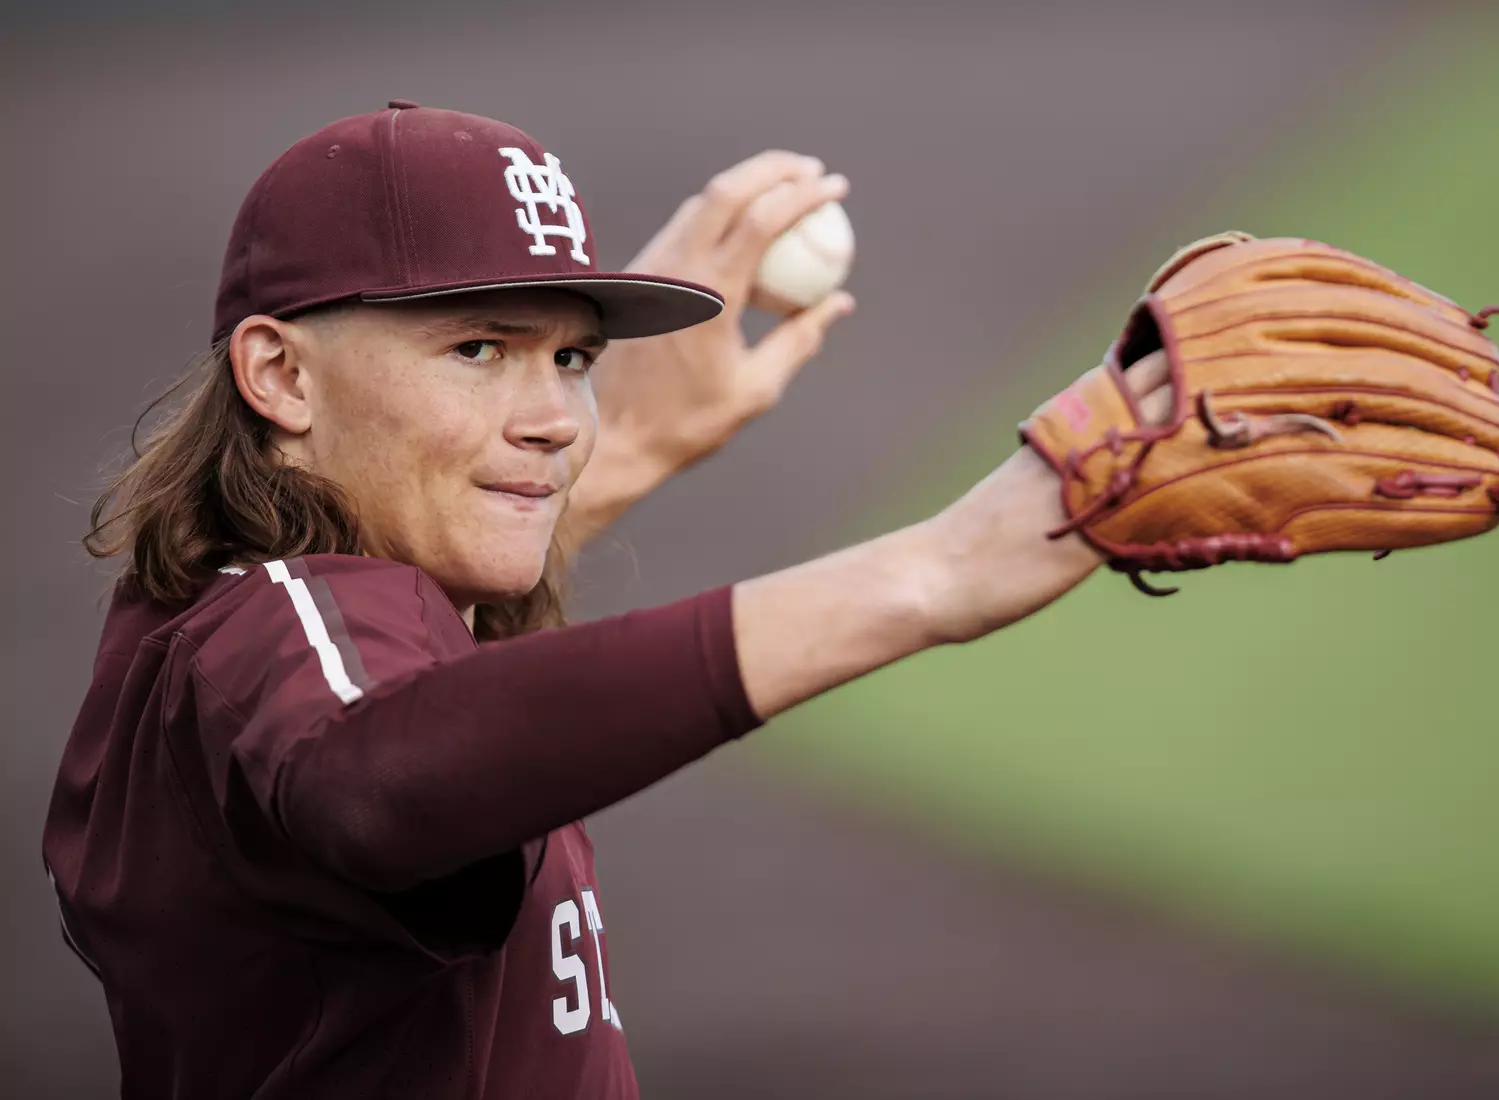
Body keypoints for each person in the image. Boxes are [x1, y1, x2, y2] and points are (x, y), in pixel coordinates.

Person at [43, 102, 1171, 1099]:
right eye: (479, 347)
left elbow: (422, 673)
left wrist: (625, 443)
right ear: (281, 375)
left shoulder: (214, 615)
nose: (556, 421)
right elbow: (375, 768)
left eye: (573, 359)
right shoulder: (275, 632)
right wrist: (936, 572)